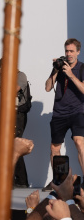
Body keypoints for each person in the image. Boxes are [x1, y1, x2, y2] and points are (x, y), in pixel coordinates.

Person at [43, 38, 84, 191]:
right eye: (67, 51)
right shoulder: (60, 67)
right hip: (59, 112)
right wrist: (55, 70)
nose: (69, 54)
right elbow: (47, 88)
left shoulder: (82, 68)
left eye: (72, 51)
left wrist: (71, 75)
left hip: (78, 112)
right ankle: (59, 182)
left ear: (78, 52)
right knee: (55, 148)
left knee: (80, 142)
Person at [0, 61, 30, 188]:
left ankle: (20, 180)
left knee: (15, 145)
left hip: (18, 114)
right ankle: (17, 180)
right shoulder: (1, 78)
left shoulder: (20, 75)